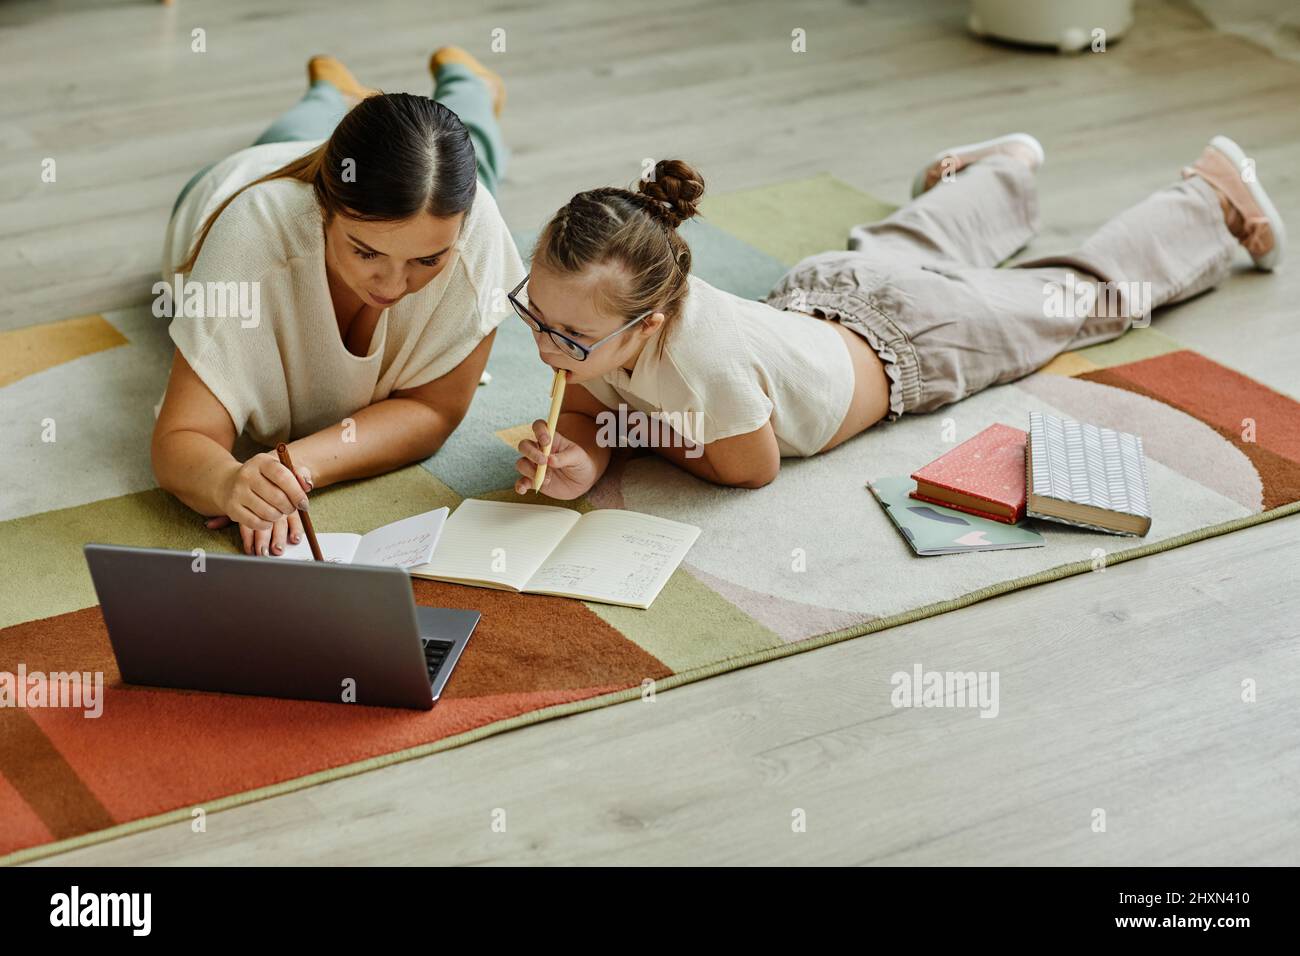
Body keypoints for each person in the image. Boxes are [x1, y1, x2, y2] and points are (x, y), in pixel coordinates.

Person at [152, 51, 524, 556]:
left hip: (390, 176)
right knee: (285, 139)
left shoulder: (476, 231)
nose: (393, 286)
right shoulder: (252, 237)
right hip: (231, 183)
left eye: (427, 260)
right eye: (365, 251)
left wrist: (290, 469)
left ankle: (470, 82)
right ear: (324, 209)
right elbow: (182, 436)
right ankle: (326, 91)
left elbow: (432, 411)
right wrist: (226, 482)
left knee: (471, 151)